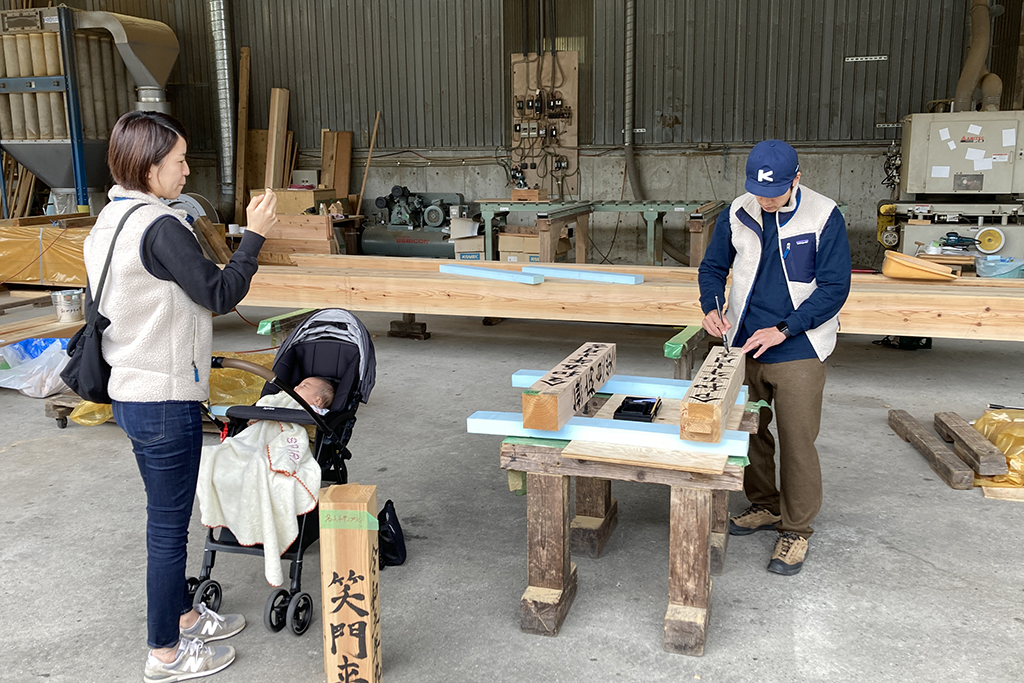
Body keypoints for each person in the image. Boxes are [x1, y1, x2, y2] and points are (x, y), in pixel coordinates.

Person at [82, 110, 278, 682]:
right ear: (149, 169)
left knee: (169, 517)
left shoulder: (110, 219)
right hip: (162, 397)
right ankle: (164, 653)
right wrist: (256, 234)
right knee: (166, 528)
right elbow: (220, 292)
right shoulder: (160, 226)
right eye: (178, 162)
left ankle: (186, 614)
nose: (187, 170)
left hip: (132, 389)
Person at [697, 139, 851, 576]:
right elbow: (713, 268)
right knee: (750, 431)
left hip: (798, 344)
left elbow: (834, 288)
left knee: (797, 439)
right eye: (759, 190)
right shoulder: (738, 211)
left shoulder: (823, 215)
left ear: (796, 179)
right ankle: (763, 505)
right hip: (744, 340)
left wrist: (784, 328)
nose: (765, 199)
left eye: (775, 192)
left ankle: (797, 528)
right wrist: (711, 306)